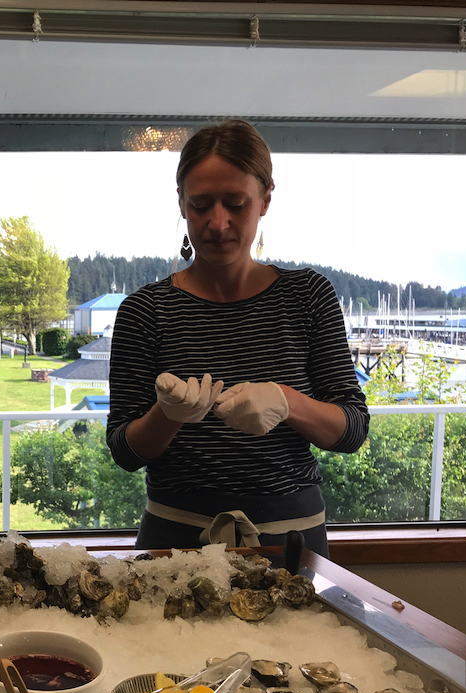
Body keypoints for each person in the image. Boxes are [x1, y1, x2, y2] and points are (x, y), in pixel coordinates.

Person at [106, 119, 369, 557]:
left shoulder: (308, 296)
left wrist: (287, 401)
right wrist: (168, 415)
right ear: (181, 203)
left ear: (265, 199)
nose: (218, 222)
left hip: (291, 543)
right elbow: (125, 451)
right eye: (201, 205)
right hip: (176, 542)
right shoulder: (145, 310)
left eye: (236, 203)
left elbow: (352, 429)